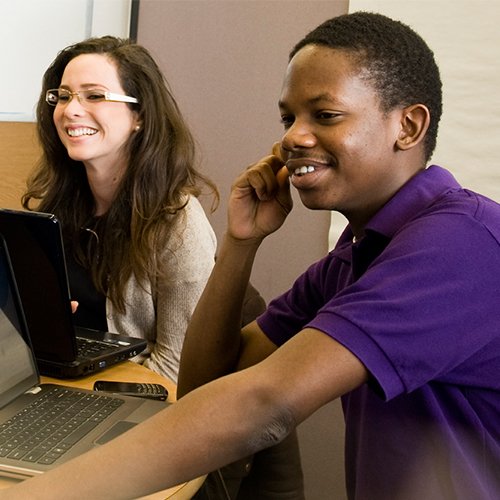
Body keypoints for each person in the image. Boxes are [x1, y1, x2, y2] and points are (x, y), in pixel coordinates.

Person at [2, 11, 499, 500]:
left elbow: (265, 402)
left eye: (324, 115)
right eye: (289, 117)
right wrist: (241, 244)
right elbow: (203, 386)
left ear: (408, 126)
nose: (292, 138)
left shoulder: (459, 244)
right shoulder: (352, 258)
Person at [22, 36, 218, 382]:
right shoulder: (56, 207)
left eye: (94, 95)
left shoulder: (179, 223)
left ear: (138, 116)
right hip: (51, 387)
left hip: (130, 408)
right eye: (63, 96)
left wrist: (87, 401)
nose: (70, 110)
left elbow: (177, 370)